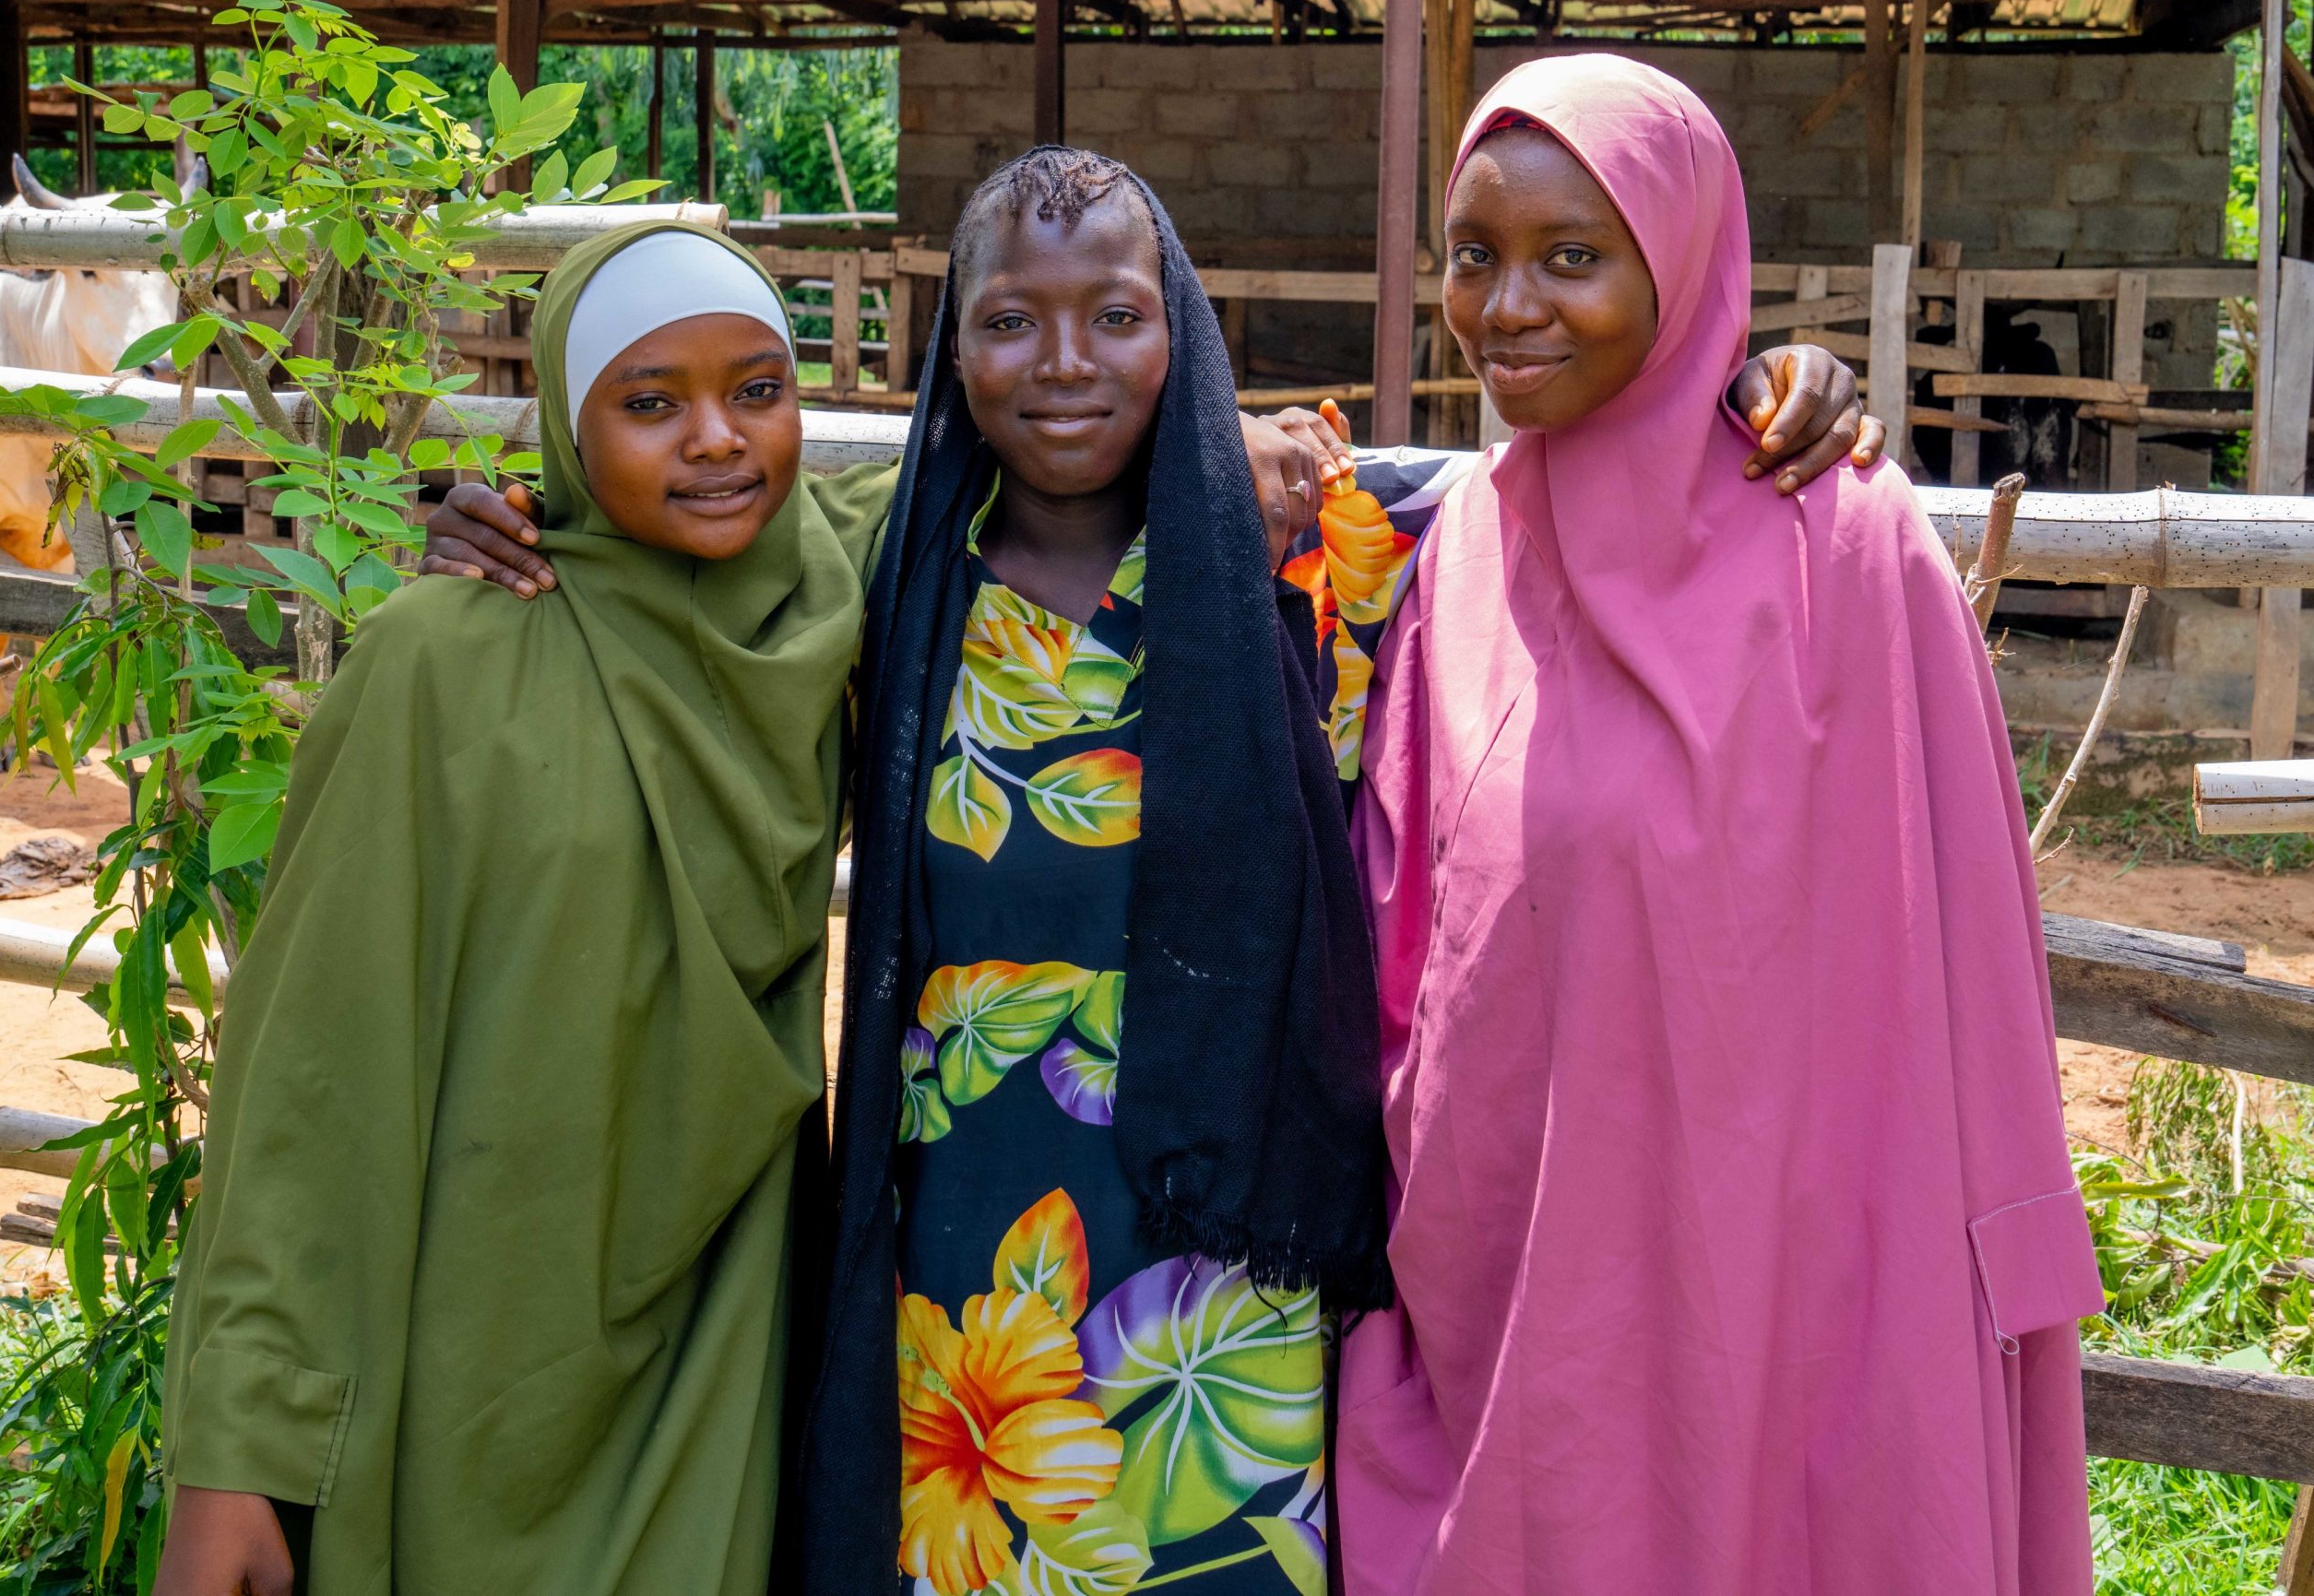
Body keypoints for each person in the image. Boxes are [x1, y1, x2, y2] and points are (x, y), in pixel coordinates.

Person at [412, 155, 1879, 1596]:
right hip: (968, 1283)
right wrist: (514, 519)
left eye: (1115, 316)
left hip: (1226, 1283)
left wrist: (1744, 384)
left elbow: (1585, 464)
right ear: (957, 348)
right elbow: (670, 547)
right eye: (1009, 322)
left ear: (1178, 322)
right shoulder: (878, 584)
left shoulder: (1332, 558)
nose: (1064, 364)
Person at [1335, 53, 2100, 1595]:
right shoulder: (1468, 544)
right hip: (1522, 1271)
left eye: (1573, 256)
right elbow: (1405, 919)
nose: (1507, 307)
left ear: (1679, 270)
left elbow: (1962, 930)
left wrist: (2004, 1236)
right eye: (1475, 256)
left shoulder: (1842, 537)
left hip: (1793, 1255)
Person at [155, 223, 893, 1596]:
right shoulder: (447, 663)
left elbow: (1035, 451)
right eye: (650, 401)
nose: (720, 440)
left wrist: (1239, 461)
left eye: (760, 388)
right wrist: (237, 1448)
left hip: (715, 1365)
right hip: (474, 1365)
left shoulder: (828, 611)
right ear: (563, 423)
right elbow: (313, 1071)